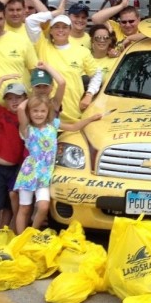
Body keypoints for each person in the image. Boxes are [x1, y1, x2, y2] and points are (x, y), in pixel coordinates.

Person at [13, 80, 100, 233]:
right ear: (29, 113)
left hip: (45, 173)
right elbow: (21, 108)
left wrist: (91, 119)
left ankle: (32, 232)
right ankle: (21, 237)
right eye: (35, 111)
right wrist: (35, 96)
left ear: (47, 112)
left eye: (42, 111)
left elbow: (74, 127)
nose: (39, 114)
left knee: (43, 206)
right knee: (25, 207)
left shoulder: (53, 124)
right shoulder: (27, 129)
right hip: (29, 173)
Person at [23, 13, 102, 124]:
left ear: (70, 30)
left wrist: (89, 94)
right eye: (56, 27)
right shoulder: (42, 45)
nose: (61, 30)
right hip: (44, 117)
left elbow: (97, 73)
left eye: (65, 27)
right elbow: (30, 20)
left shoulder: (82, 51)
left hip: (73, 116)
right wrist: (54, 13)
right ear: (50, 31)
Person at [0, 77, 29, 232]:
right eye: (10, 98)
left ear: (25, 98)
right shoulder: (2, 112)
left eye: (18, 97)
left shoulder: (26, 116)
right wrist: (2, 79)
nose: (14, 101)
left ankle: (7, 230)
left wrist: (25, 104)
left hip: (16, 167)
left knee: (11, 199)